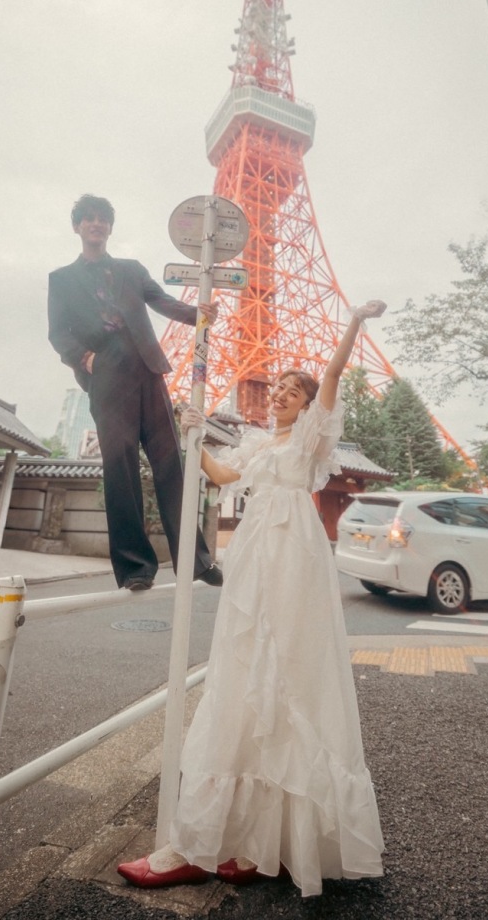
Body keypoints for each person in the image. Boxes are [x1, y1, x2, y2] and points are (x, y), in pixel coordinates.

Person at [117, 300, 387, 897]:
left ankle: (272, 839)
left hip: (293, 556)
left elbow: (336, 375)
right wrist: (192, 433)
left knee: (286, 667)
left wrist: (354, 323)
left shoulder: (313, 439)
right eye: (280, 388)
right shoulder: (259, 443)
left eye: (294, 389)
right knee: (244, 664)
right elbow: (219, 475)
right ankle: (241, 838)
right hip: (254, 555)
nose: (282, 394)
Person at [47, 194, 222, 590]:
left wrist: (198, 315)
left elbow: (160, 301)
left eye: (102, 219)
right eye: (88, 219)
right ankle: (135, 568)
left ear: (110, 227)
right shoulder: (61, 279)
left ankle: (195, 560)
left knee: (170, 464)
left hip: (148, 369)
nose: (96, 224)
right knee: (119, 467)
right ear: (77, 227)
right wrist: (84, 359)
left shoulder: (130, 269)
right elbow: (58, 332)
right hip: (106, 376)